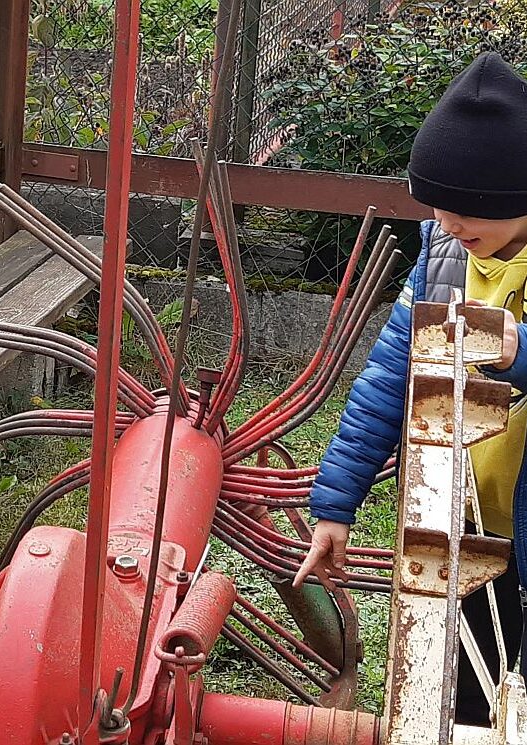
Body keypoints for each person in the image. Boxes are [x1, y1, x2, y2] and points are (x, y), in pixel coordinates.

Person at [293, 51, 527, 725]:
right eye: (436, 206)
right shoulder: (444, 253)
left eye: (464, 209)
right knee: (467, 691)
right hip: (465, 524)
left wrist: (519, 353)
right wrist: (335, 505)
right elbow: (388, 379)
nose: (446, 223)